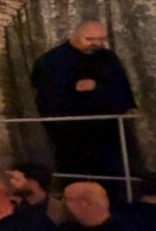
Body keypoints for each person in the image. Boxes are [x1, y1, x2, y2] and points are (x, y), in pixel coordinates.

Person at [31, 20, 137, 182]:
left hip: (108, 128)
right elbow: (46, 94)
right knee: (75, 169)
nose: (96, 43)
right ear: (74, 36)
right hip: (71, 129)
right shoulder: (50, 61)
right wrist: (72, 88)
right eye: (90, 39)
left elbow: (121, 87)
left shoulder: (108, 58)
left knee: (114, 170)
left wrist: (98, 88)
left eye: (101, 39)